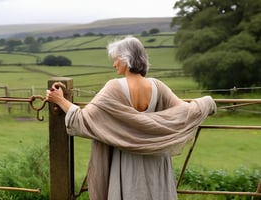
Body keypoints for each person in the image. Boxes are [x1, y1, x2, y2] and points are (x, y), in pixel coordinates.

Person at [46, 35, 216, 200]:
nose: (114, 64)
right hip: (157, 160)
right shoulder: (157, 86)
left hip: (127, 161)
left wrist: (60, 100)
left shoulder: (113, 87)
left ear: (126, 59)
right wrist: (206, 104)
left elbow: (82, 120)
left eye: (116, 59)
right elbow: (186, 111)